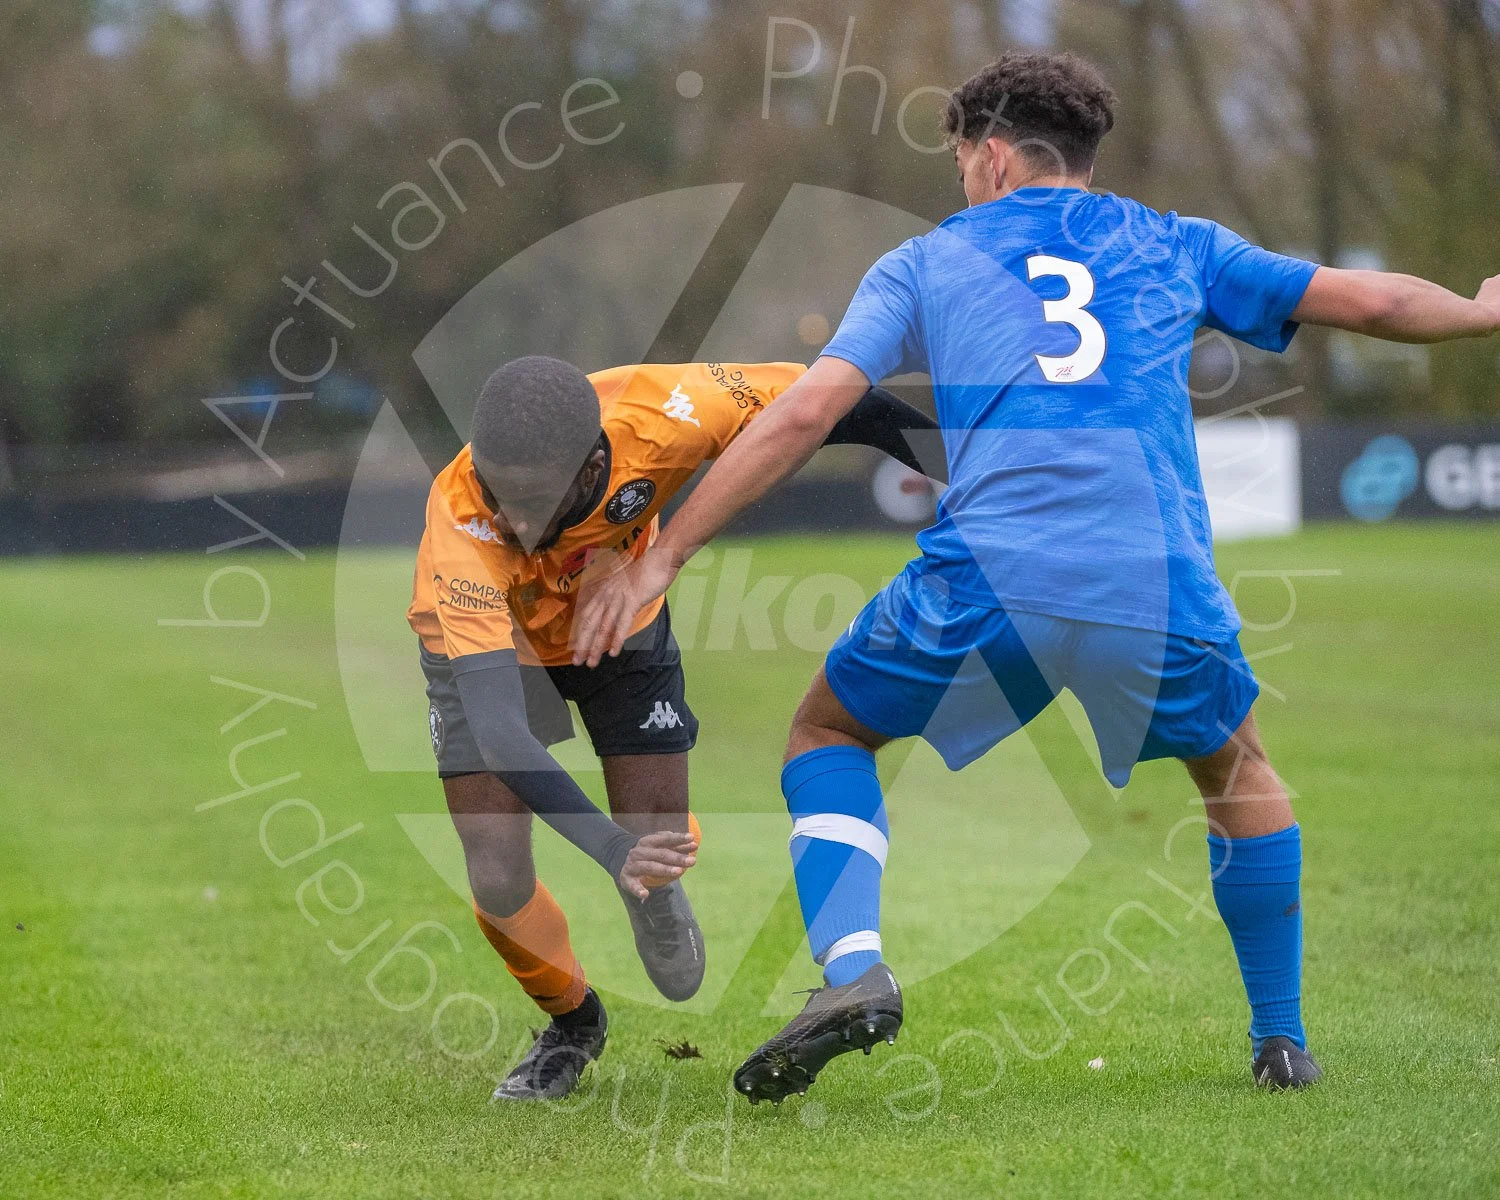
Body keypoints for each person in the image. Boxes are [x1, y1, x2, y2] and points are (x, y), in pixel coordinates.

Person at [574, 52, 1500, 1102]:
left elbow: (802, 413)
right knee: (1238, 771)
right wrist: (1479, 310)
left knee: (829, 732)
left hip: (989, 580)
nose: (963, 180)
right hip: (1154, 584)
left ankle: (854, 970)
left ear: (998, 157)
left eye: (964, 160)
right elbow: (1370, 302)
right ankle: (1282, 1042)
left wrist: (660, 556)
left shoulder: (925, 262)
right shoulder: (1175, 242)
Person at [407, 354, 937, 1101]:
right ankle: (573, 1024)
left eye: (535, 500)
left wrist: (973, 477)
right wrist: (608, 847)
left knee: (658, 840)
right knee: (494, 872)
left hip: (621, 622)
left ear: (595, 464)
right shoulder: (461, 523)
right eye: (501, 496)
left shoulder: (667, 412)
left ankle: (649, 893)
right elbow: (500, 730)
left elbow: (844, 401)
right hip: (497, 653)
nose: (517, 522)